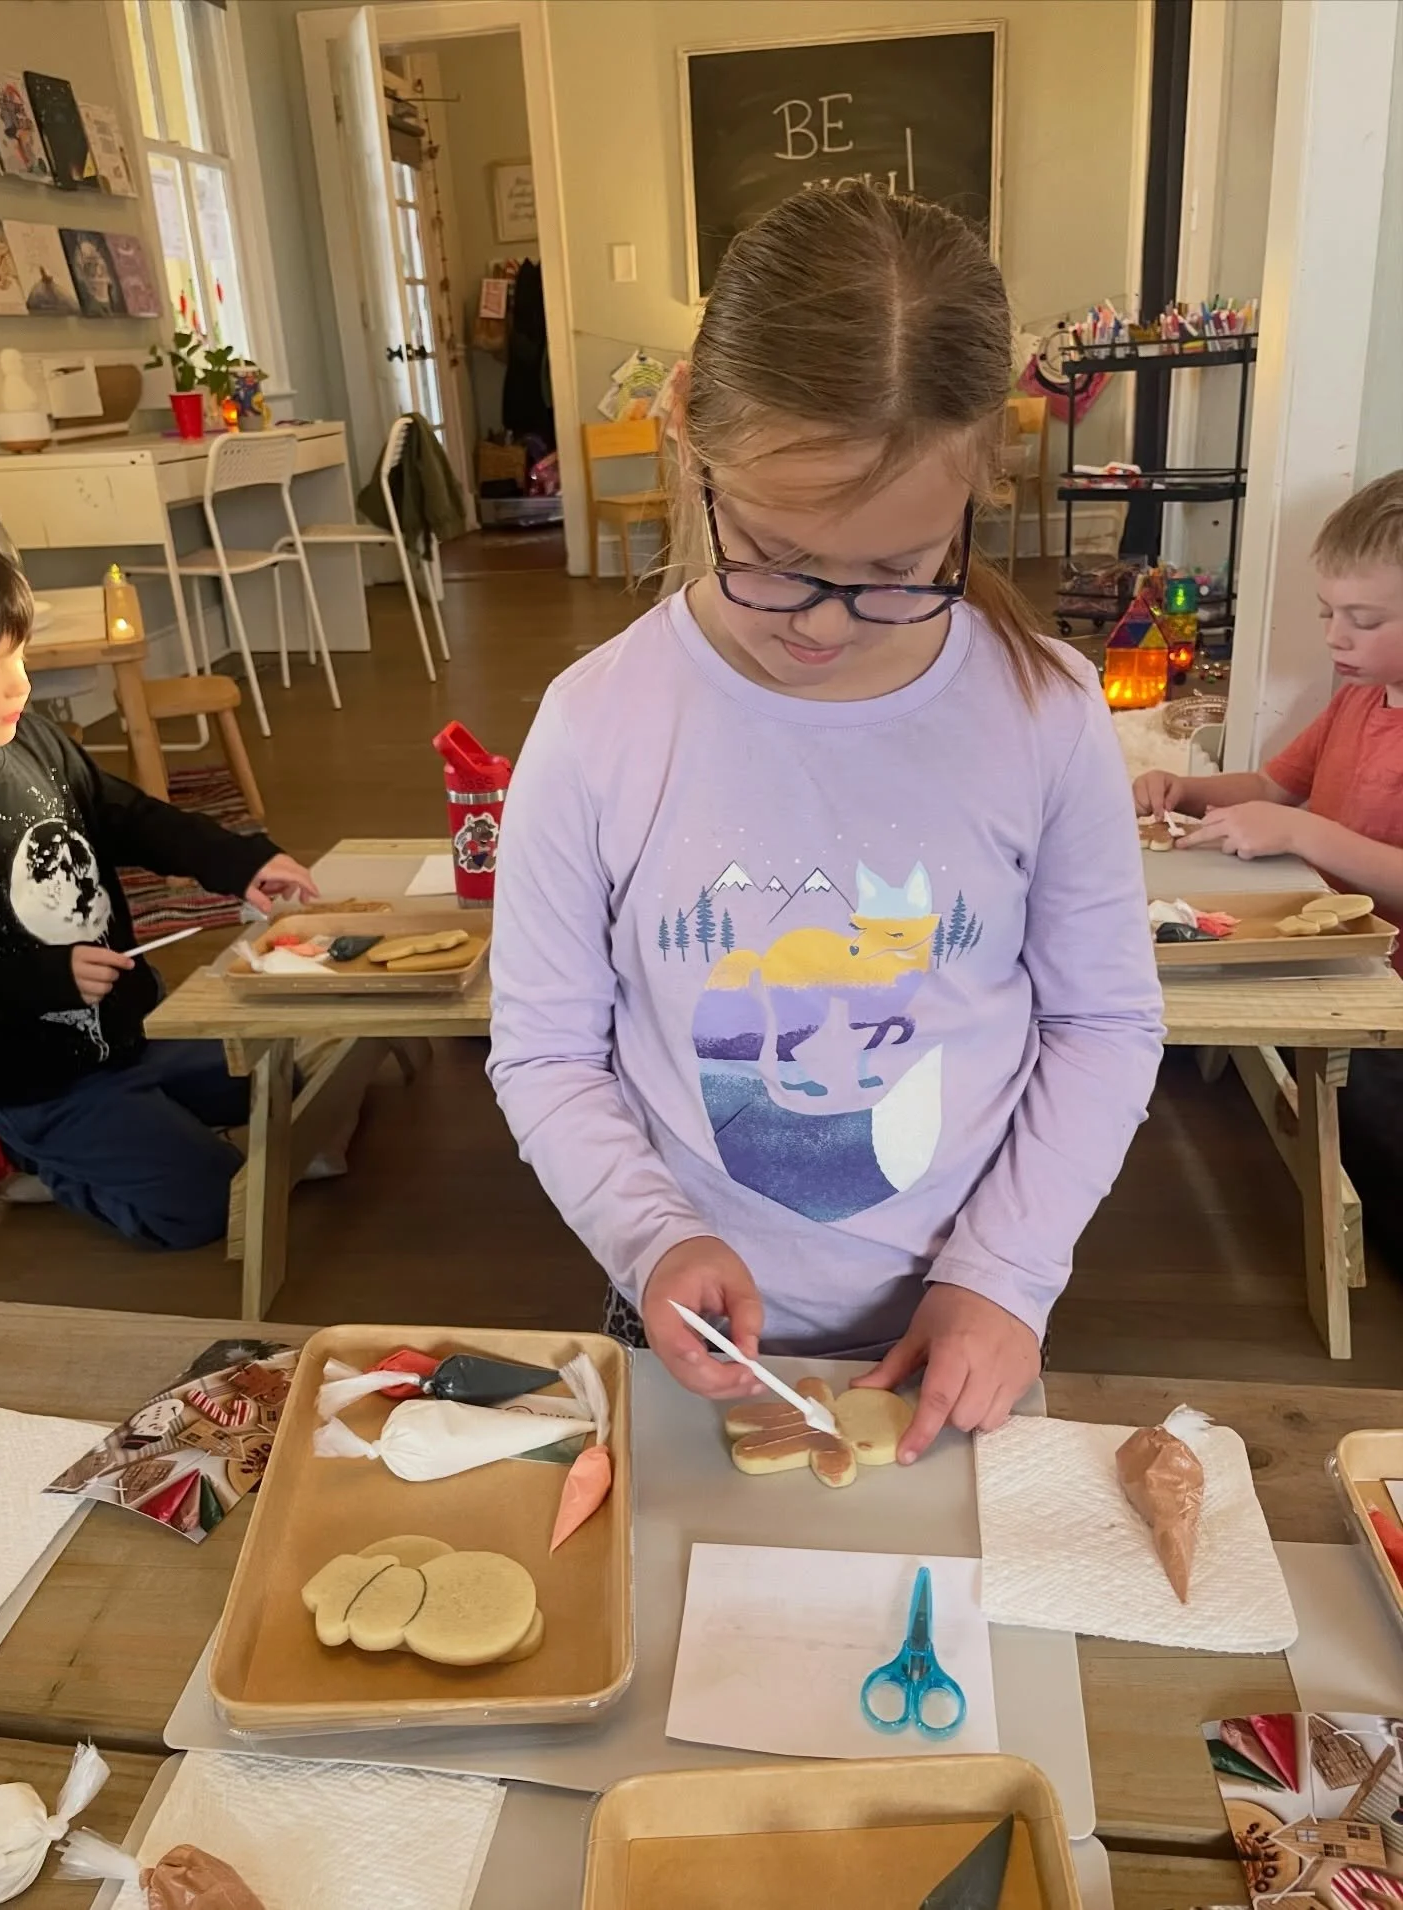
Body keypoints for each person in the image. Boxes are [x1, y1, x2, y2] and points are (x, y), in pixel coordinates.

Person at [488, 184, 1164, 1457]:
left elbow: (1103, 1017)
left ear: (981, 477)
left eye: (898, 574)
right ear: (686, 424)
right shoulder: (596, 726)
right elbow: (546, 1049)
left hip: (959, 1315)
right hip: (682, 1316)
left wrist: (1006, 1274)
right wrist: (651, 1234)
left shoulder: (1044, 713)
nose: (821, 621)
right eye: (774, 553)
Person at [0, 532, 318, 1249]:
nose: (20, 685)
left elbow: (127, 815)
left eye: (20, 657)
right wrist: (44, 979)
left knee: (298, 1085)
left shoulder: (29, 737)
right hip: (37, 1085)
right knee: (215, 1205)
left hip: (135, 1032)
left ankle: (131, 1129)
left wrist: (237, 861)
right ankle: (34, 1155)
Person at [1133, 470, 1403, 1267]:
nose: (1335, 637)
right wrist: (1186, 786)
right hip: (1319, 945)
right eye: (1329, 614)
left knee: (1373, 1130)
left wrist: (1303, 831)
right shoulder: (1358, 701)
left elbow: (1299, 817)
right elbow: (1272, 786)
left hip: (1385, 987)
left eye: (1365, 619)